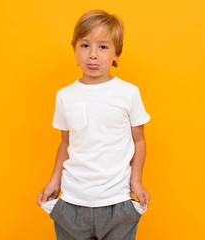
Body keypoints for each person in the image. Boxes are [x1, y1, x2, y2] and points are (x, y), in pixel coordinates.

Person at [37, 9, 151, 240]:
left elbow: (139, 140)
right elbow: (65, 144)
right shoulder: (65, 96)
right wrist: (54, 180)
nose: (93, 55)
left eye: (103, 47)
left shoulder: (128, 93)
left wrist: (136, 180)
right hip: (73, 202)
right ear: (74, 49)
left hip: (117, 200)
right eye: (85, 45)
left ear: (116, 53)